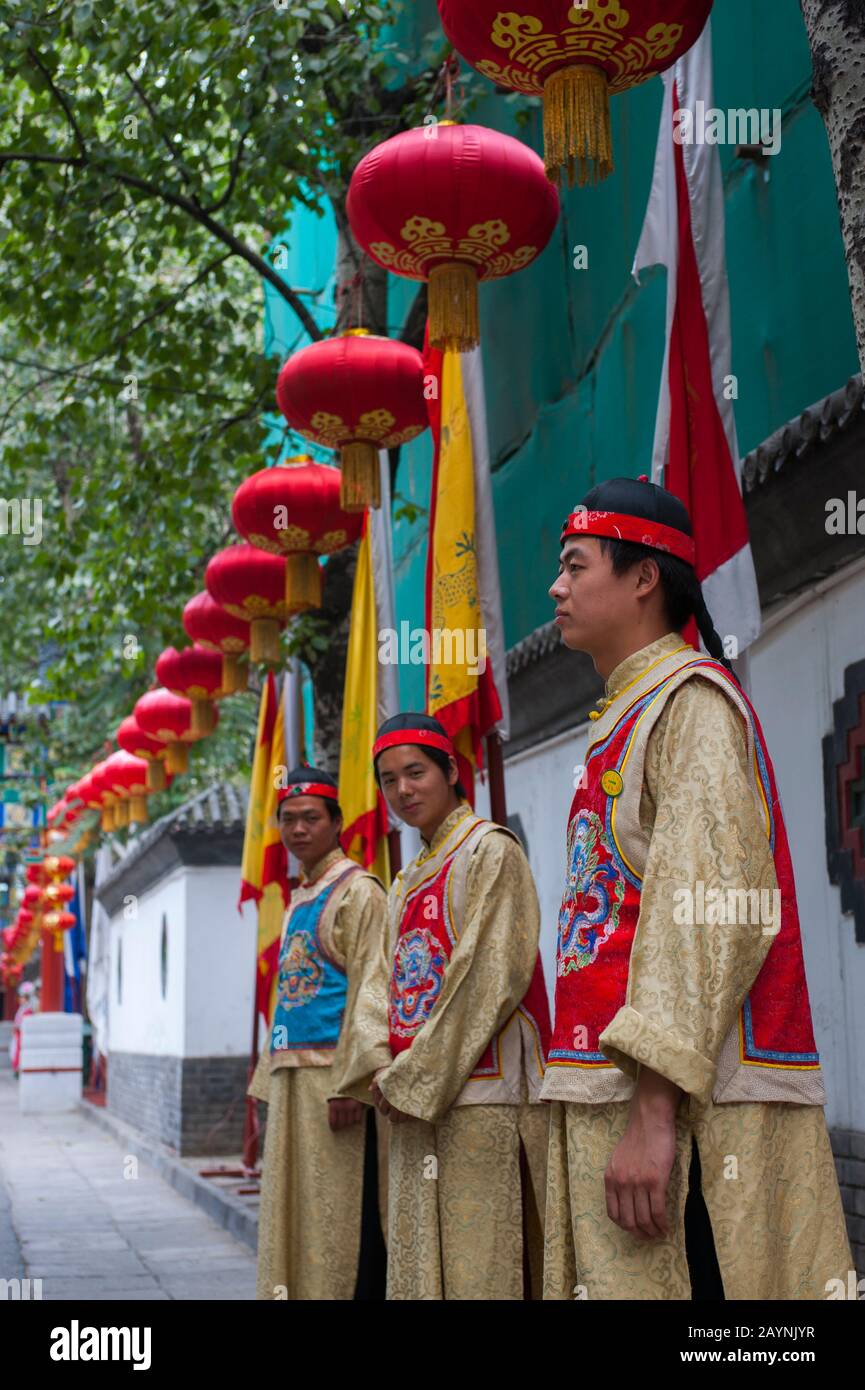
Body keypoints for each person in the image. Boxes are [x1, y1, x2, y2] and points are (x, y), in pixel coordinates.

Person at [542, 475, 853, 1300]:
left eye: (575, 566)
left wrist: (651, 1116)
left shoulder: (692, 706)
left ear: (644, 578)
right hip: (617, 1099)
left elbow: (705, 920)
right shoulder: (627, 712)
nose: (556, 587)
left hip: (682, 1114)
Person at [337, 712, 552, 1300]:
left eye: (415, 772)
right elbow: (378, 982)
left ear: (451, 771)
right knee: (417, 1266)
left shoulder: (490, 852)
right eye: (388, 780)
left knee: (480, 1267)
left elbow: (490, 975)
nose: (403, 790)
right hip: (408, 1102)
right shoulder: (405, 880)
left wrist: (412, 1079)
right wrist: (380, 1065)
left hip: (483, 1100)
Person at [248, 765, 388, 1300]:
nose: (299, 829)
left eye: (311, 818)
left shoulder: (360, 892)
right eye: (288, 819)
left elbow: (371, 990)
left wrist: (350, 1084)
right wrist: (268, 1077)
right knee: (296, 1206)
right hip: (292, 1081)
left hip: (333, 1081)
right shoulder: (301, 896)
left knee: (340, 1211)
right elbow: (287, 995)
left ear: (337, 822)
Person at [10, 980, 37, 1076]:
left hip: (23, 1035)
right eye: (21, 997)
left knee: (20, 1052)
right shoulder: (22, 1009)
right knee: (16, 1051)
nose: (21, 999)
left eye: (24, 997)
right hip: (18, 1034)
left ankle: (19, 1069)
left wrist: (17, 1027)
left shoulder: (28, 1010)